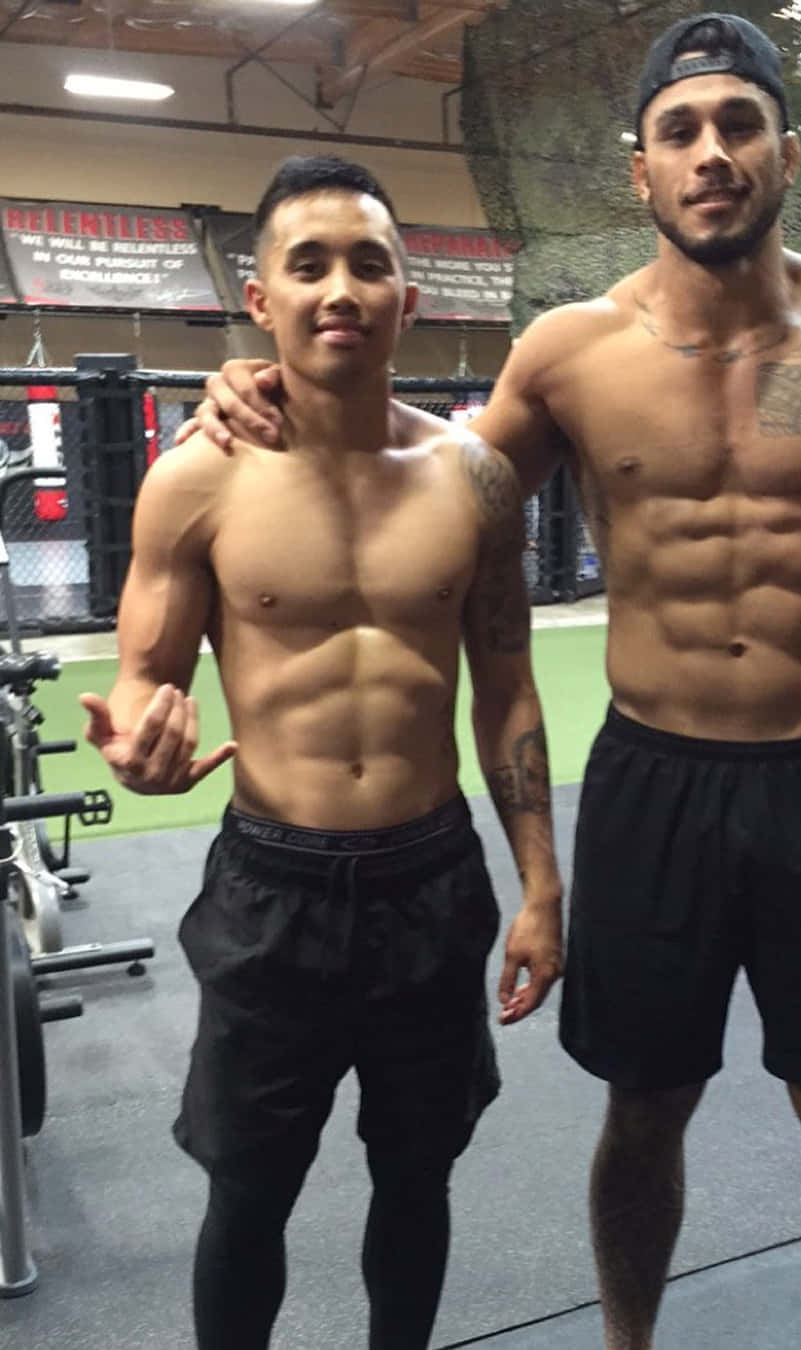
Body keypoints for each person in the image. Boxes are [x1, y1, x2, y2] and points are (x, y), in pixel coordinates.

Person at [185, 14, 801, 1350]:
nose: (711, 154)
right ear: (641, 171)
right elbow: (418, 481)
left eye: (738, 125)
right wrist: (270, 381)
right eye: (681, 131)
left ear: (786, 154)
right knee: (645, 1102)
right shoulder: (569, 351)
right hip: (652, 779)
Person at [81, 155, 563, 1350]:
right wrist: (138, 742)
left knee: (419, 1179)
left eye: (368, 263)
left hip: (430, 881)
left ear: (408, 297)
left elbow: (505, 683)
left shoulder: (475, 480)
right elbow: (143, 676)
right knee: (250, 1190)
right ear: (261, 300)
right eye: (308, 265)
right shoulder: (195, 478)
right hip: (272, 889)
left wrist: (542, 882)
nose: (339, 288)